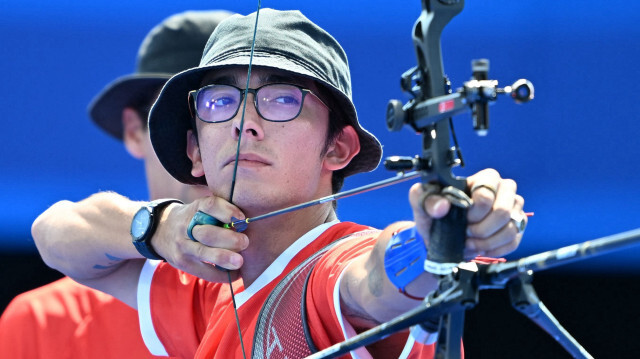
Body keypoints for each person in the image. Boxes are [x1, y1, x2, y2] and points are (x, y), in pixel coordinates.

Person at [32, 9, 526, 358]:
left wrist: (441, 235)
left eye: (282, 99)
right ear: (196, 153)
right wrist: (156, 225)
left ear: (338, 148)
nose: (244, 123)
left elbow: (373, 280)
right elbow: (53, 234)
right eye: (220, 101)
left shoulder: (329, 269)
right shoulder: (210, 288)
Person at [0, 10, 233, 358]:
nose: (202, 150)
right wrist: (161, 228)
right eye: (179, 120)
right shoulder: (42, 323)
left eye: (228, 113)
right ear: (133, 130)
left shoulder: (312, 296)